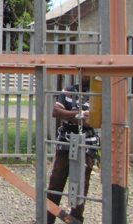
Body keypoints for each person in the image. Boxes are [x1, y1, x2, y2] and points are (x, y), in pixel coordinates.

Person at [47, 76, 100, 224]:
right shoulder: (69, 90)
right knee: (56, 182)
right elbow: (56, 112)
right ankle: (48, 219)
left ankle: (76, 220)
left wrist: (70, 115)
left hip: (87, 145)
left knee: (81, 185)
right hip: (66, 143)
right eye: (81, 70)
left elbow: (90, 121)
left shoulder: (97, 93)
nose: (84, 74)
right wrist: (79, 115)